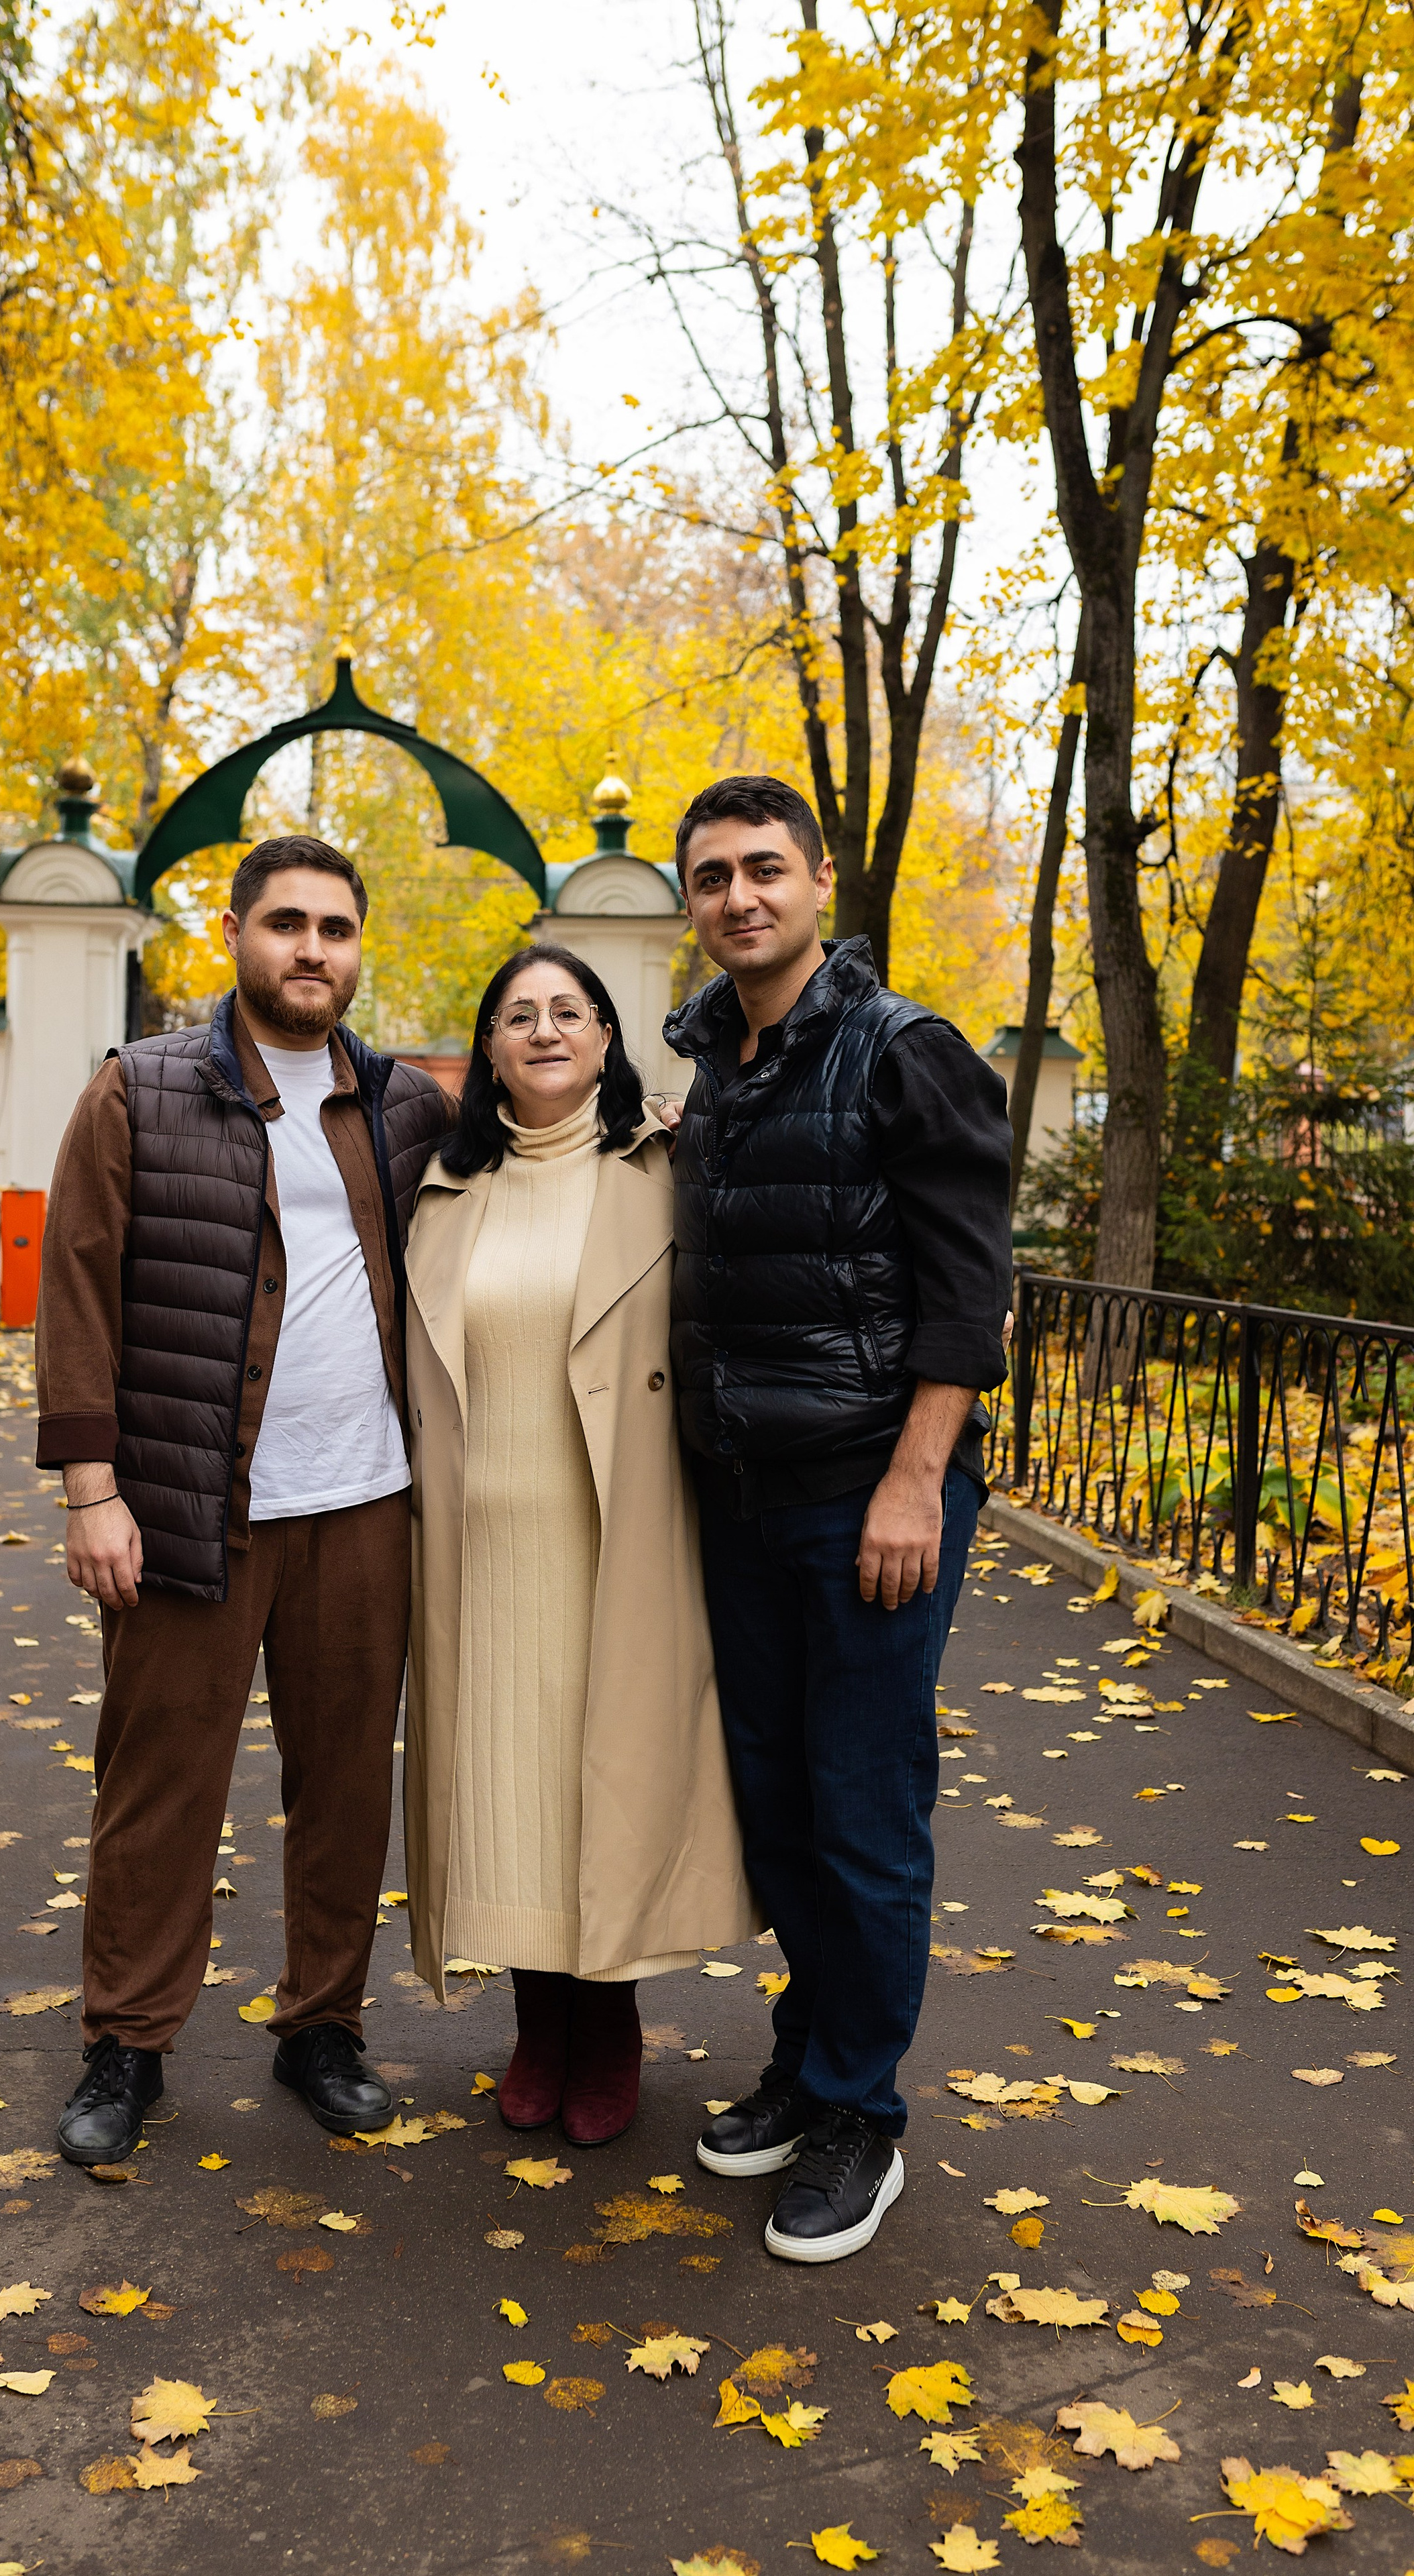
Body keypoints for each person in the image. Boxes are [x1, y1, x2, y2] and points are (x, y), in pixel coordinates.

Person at [34, 834, 453, 2165]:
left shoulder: (400, 1106)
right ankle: (127, 2042)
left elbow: (535, 1167)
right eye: (286, 923)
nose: (311, 950)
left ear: (354, 945)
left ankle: (321, 2026)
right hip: (183, 1507)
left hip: (365, 1508)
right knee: (159, 1787)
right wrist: (90, 1492)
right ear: (233, 932)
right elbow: (79, 1287)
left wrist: (649, 1128)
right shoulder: (138, 1092)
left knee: (341, 1789)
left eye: (334, 928)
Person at [663, 775, 1012, 2263]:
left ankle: (863, 2114)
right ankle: (809, 2068)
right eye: (710, 879)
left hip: (867, 1500)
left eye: (761, 871)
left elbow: (965, 1289)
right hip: (737, 1505)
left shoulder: (899, 1050)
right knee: (781, 1808)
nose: (736, 898)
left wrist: (913, 1479)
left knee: (863, 1815)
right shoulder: (707, 1065)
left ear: (817, 883)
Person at [402, 943, 755, 2147]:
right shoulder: (445, 1191)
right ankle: (535, 2019)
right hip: (479, 1546)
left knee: (602, 1775)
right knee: (505, 1788)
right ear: (488, 1050)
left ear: (608, 1039)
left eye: (570, 1011)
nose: (545, 1030)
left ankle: (608, 2021)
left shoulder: (665, 1168)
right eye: (518, 1014)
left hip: (619, 1528)